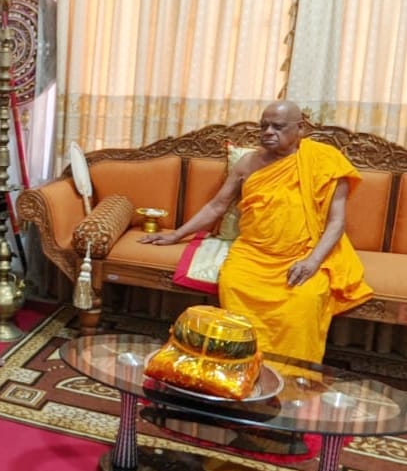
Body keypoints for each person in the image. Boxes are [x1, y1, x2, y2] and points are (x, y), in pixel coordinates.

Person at [140, 100, 373, 360]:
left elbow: (336, 222)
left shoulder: (325, 161)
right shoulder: (247, 164)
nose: (268, 132)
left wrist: (312, 262)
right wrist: (175, 234)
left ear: (300, 129)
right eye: (264, 126)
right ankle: (240, 367)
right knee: (232, 285)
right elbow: (217, 206)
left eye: (278, 127)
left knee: (306, 300)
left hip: (302, 254)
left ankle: (293, 375)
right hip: (252, 254)